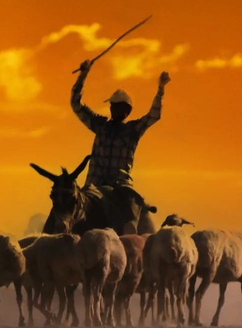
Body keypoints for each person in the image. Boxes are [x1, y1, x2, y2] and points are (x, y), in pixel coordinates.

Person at [70, 59, 171, 232]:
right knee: (69, 203)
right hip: (94, 185)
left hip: (121, 185)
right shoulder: (100, 125)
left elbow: (153, 116)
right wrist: (83, 75)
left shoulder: (132, 131)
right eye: (112, 106)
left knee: (131, 209)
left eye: (116, 106)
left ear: (126, 111)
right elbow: (76, 104)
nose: (113, 110)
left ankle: (130, 236)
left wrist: (161, 89)